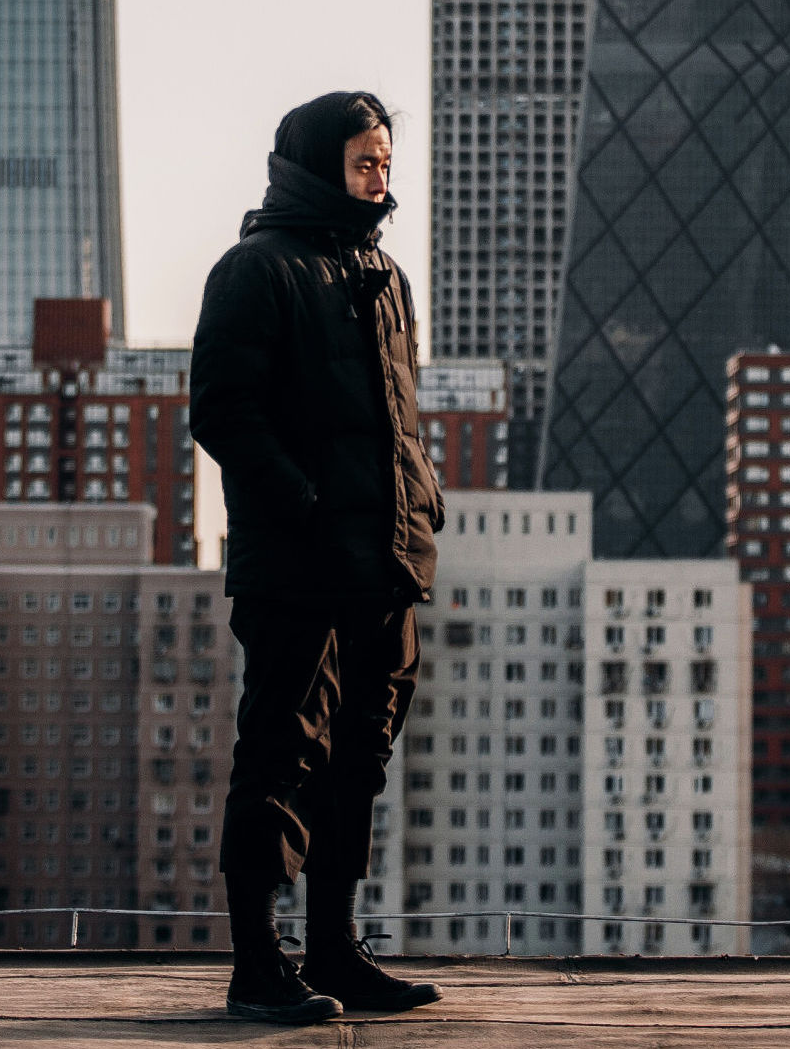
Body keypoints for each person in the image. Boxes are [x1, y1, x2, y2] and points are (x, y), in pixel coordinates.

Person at [190, 91, 446, 1023]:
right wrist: (299, 504)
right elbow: (223, 413)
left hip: (384, 564)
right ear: (314, 164)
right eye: (364, 162)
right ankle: (259, 964)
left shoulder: (384, 277)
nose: (381, 178)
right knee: (280, 759)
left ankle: (336, 950)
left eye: (386, 161)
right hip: (297, 570)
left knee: (359, 763)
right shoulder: (256, 270)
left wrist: (424, 499)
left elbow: (395, 421)